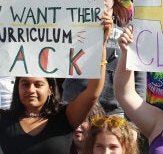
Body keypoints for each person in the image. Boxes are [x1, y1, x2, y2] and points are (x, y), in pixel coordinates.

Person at [0, 15, 112, 153]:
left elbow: (93, 92)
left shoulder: (65, 117)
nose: (31, 89)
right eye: (25, 84)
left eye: (38, 84)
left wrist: (101, 45)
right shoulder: (4, 119)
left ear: (50, 89)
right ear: (17, 88)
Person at [63, 0, 146, 116]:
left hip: (114, 113)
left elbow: (138, 76)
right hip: (77, 107)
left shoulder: (128, 28)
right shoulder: (71, 26)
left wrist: (136, 119)